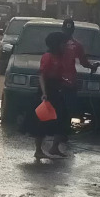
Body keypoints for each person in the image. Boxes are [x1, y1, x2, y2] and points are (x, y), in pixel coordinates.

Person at [33, 30, 75, 161]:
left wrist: (65, 82)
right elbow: (42, 75)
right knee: (42, 121)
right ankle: (38, 150)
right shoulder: (48, 56)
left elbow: (58, 74)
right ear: (57, 44)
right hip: (47, 92)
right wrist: (44, 93)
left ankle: (54, 147)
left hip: (57, 90)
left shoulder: (60, 57)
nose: (65, 46)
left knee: (62, 118)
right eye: (63, 44)